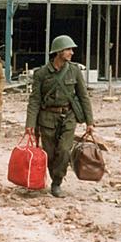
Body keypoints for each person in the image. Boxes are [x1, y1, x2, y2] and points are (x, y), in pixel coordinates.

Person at [24, 35, 95, 197]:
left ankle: (57, 182)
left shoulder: (74, 71)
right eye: (68, 49)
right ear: (58, 52)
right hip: (47, 118)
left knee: (64, 150)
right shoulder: (41, 73)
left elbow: (84, 96)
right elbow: (34, 100)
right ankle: (53, 175)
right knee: (49, 152)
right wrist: (30, 124)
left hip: (68, 116)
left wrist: (90, 122)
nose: (71, 53)